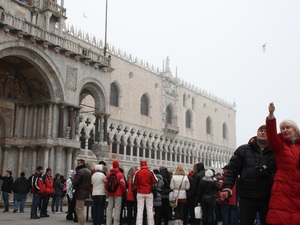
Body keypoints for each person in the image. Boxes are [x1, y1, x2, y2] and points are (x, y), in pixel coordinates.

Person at [221, 125, 276, 225]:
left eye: (266, 131)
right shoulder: (243, 150)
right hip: (247, 196)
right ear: (257, 132)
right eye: (261, 130)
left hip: (268, 196)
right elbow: (232, 170)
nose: (263, 133)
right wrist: (227, 187)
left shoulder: (276, 152)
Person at [266, 102, 300, 225]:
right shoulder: (280, 145)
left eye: (288, 127)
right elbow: (271, 135)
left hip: (298, 190)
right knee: (281, 218)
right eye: (282, 128)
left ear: (295, 130)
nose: (285, 130)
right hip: (283, 190)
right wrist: (271, 116)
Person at [133, 160, 157, 225]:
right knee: (149, 210)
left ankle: (138, 223)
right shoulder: (150, 172)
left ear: (140, 165)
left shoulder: (137, 173)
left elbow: (134, 183)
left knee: (140, 210)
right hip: (149, 192)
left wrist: (138, 187)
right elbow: (155, 181)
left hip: (140, 192)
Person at [105, 160, 126, 225]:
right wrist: (123, 191)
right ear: (118, 166)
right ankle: (116, 223)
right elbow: (123, 185)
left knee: (109, 208)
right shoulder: (120, 174)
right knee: (117, 208)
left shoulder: (108, 174)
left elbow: (105, 184)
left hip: (110, 193)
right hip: (118, 193)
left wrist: (108, 190)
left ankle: (108, 222)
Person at [73, 159, 92, 225]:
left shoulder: (80, 171)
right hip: (85, 191)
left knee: (79, 209)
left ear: (82, 163)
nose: (77, 164)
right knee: (80, 208)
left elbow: (75, 182)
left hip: (80, 192)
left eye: (78, 163)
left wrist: (73, 177)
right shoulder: (88, 171)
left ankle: (82, 223)